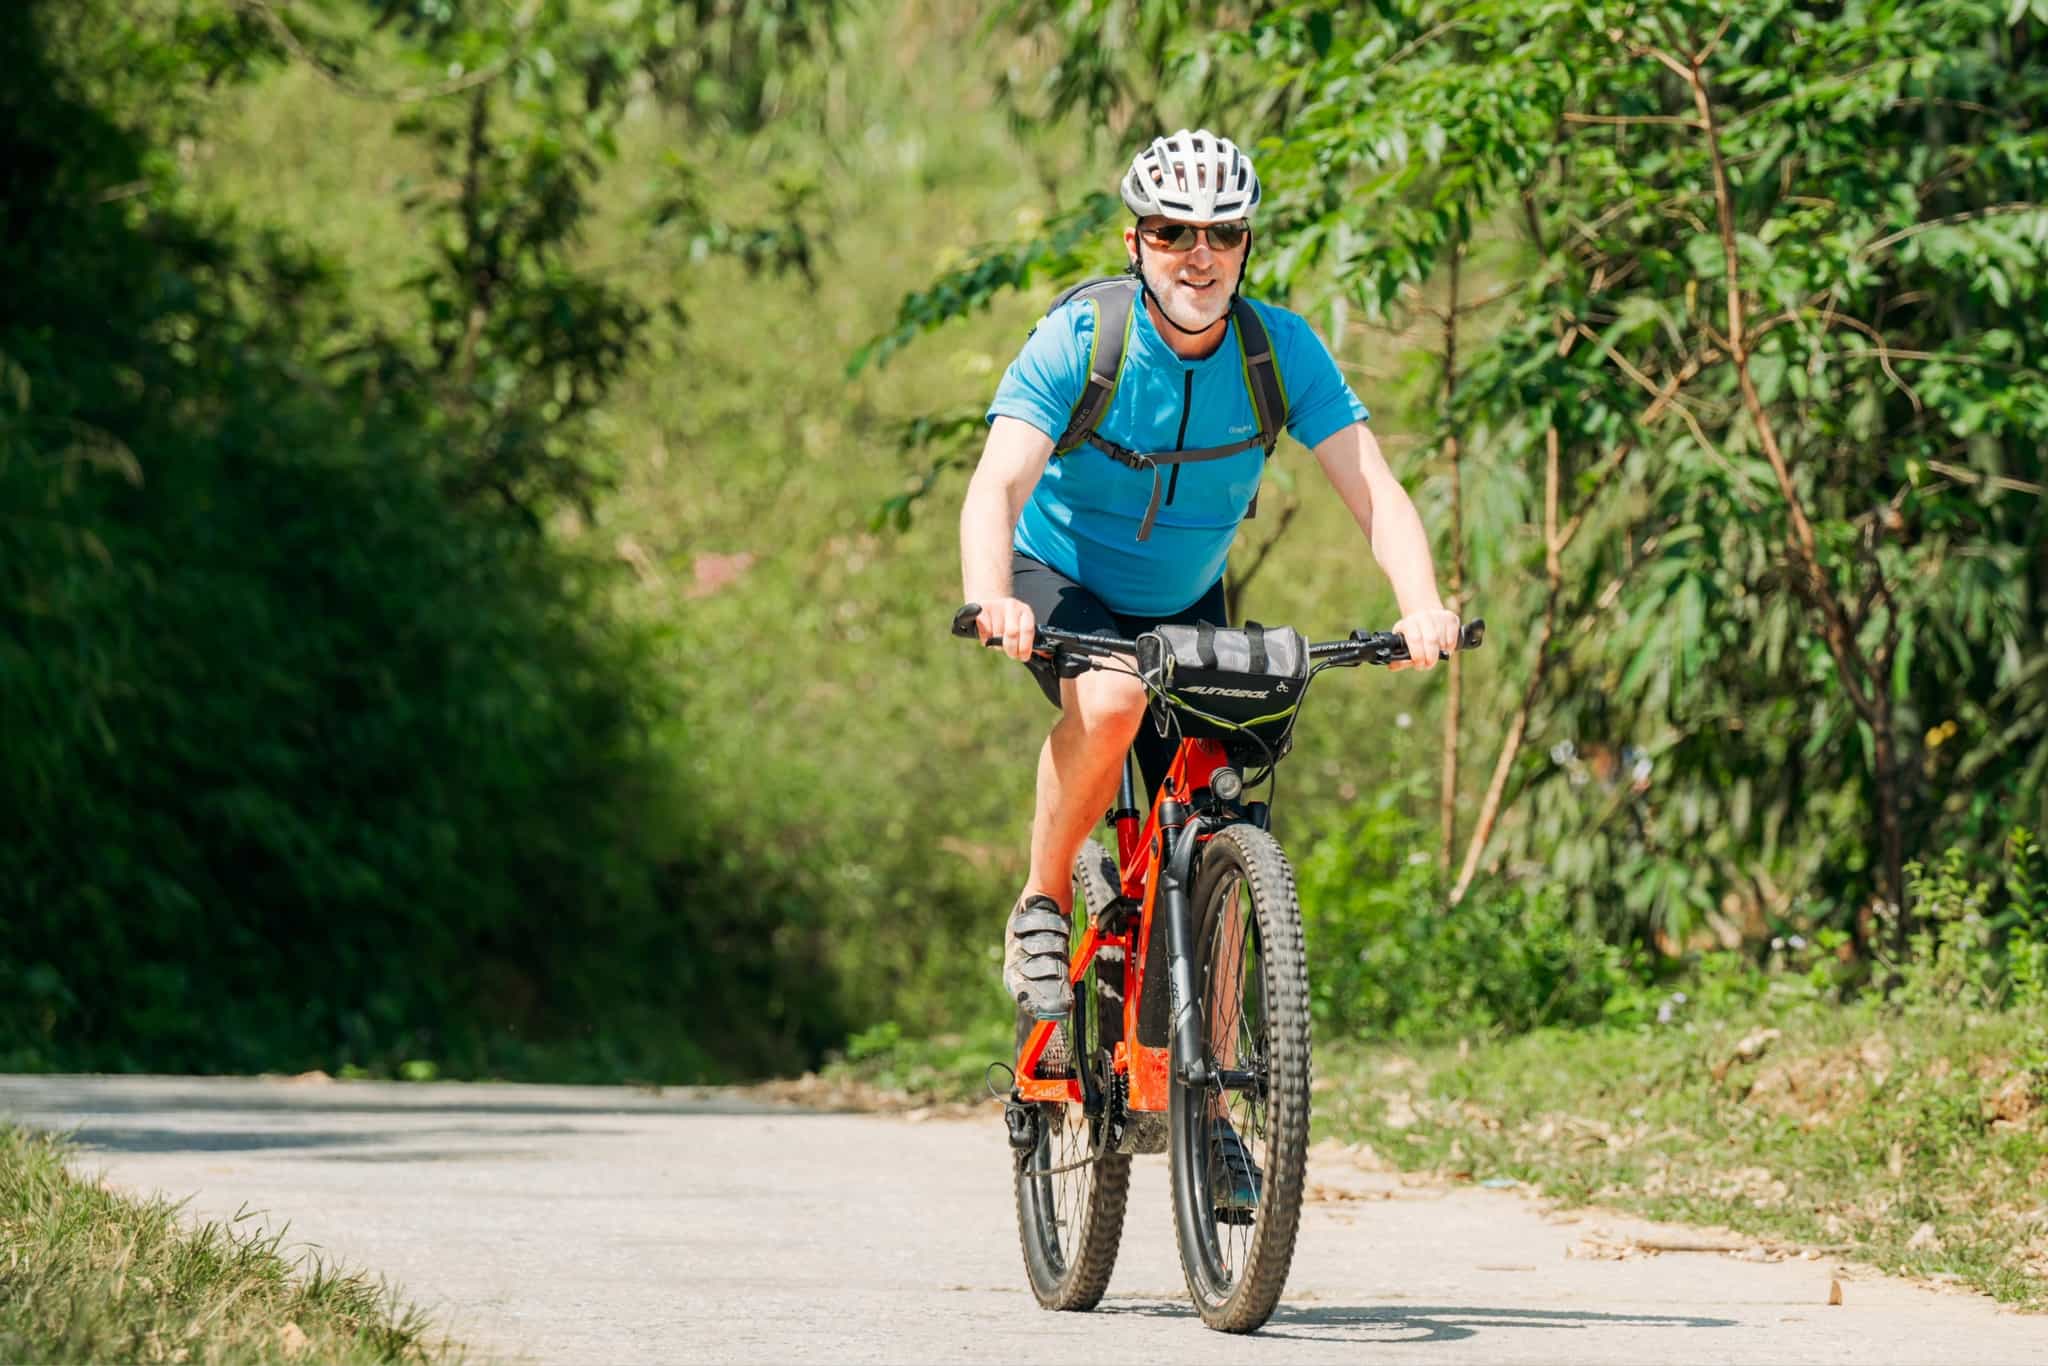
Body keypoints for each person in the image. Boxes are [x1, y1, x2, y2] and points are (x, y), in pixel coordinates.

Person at [960, 128, 1461, 1025]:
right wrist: (994, 594)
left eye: (1223, 234)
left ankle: (1215, 1103)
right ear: (1135, 242)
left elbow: (1375, 489)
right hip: (1058, 579)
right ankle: (1040, 906)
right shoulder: (1081, 340)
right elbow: (996, 484)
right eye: (1172, 232)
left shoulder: (1280, 351)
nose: (1200, 255)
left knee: (1217, 801)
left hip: (1186, 599)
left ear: (1246, 247)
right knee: (1110, 704)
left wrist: (1421, 607)